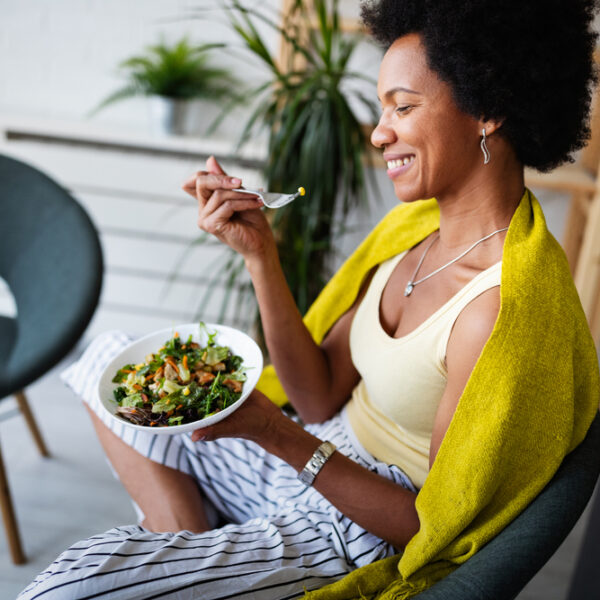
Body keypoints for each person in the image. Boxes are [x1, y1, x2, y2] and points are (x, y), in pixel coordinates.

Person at [19, 0, 600, 599]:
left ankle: (186, 564)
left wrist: (276, 433)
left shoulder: (498, 312)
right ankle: (184, 544)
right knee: (104, 361)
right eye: (383, 109)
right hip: (306, 455)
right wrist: (259, 255)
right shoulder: (414, 234)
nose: (379, 133)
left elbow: (430, 529)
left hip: (354, 525)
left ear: (488, 110)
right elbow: (318, 394)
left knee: (69, 586)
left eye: (403, 107)